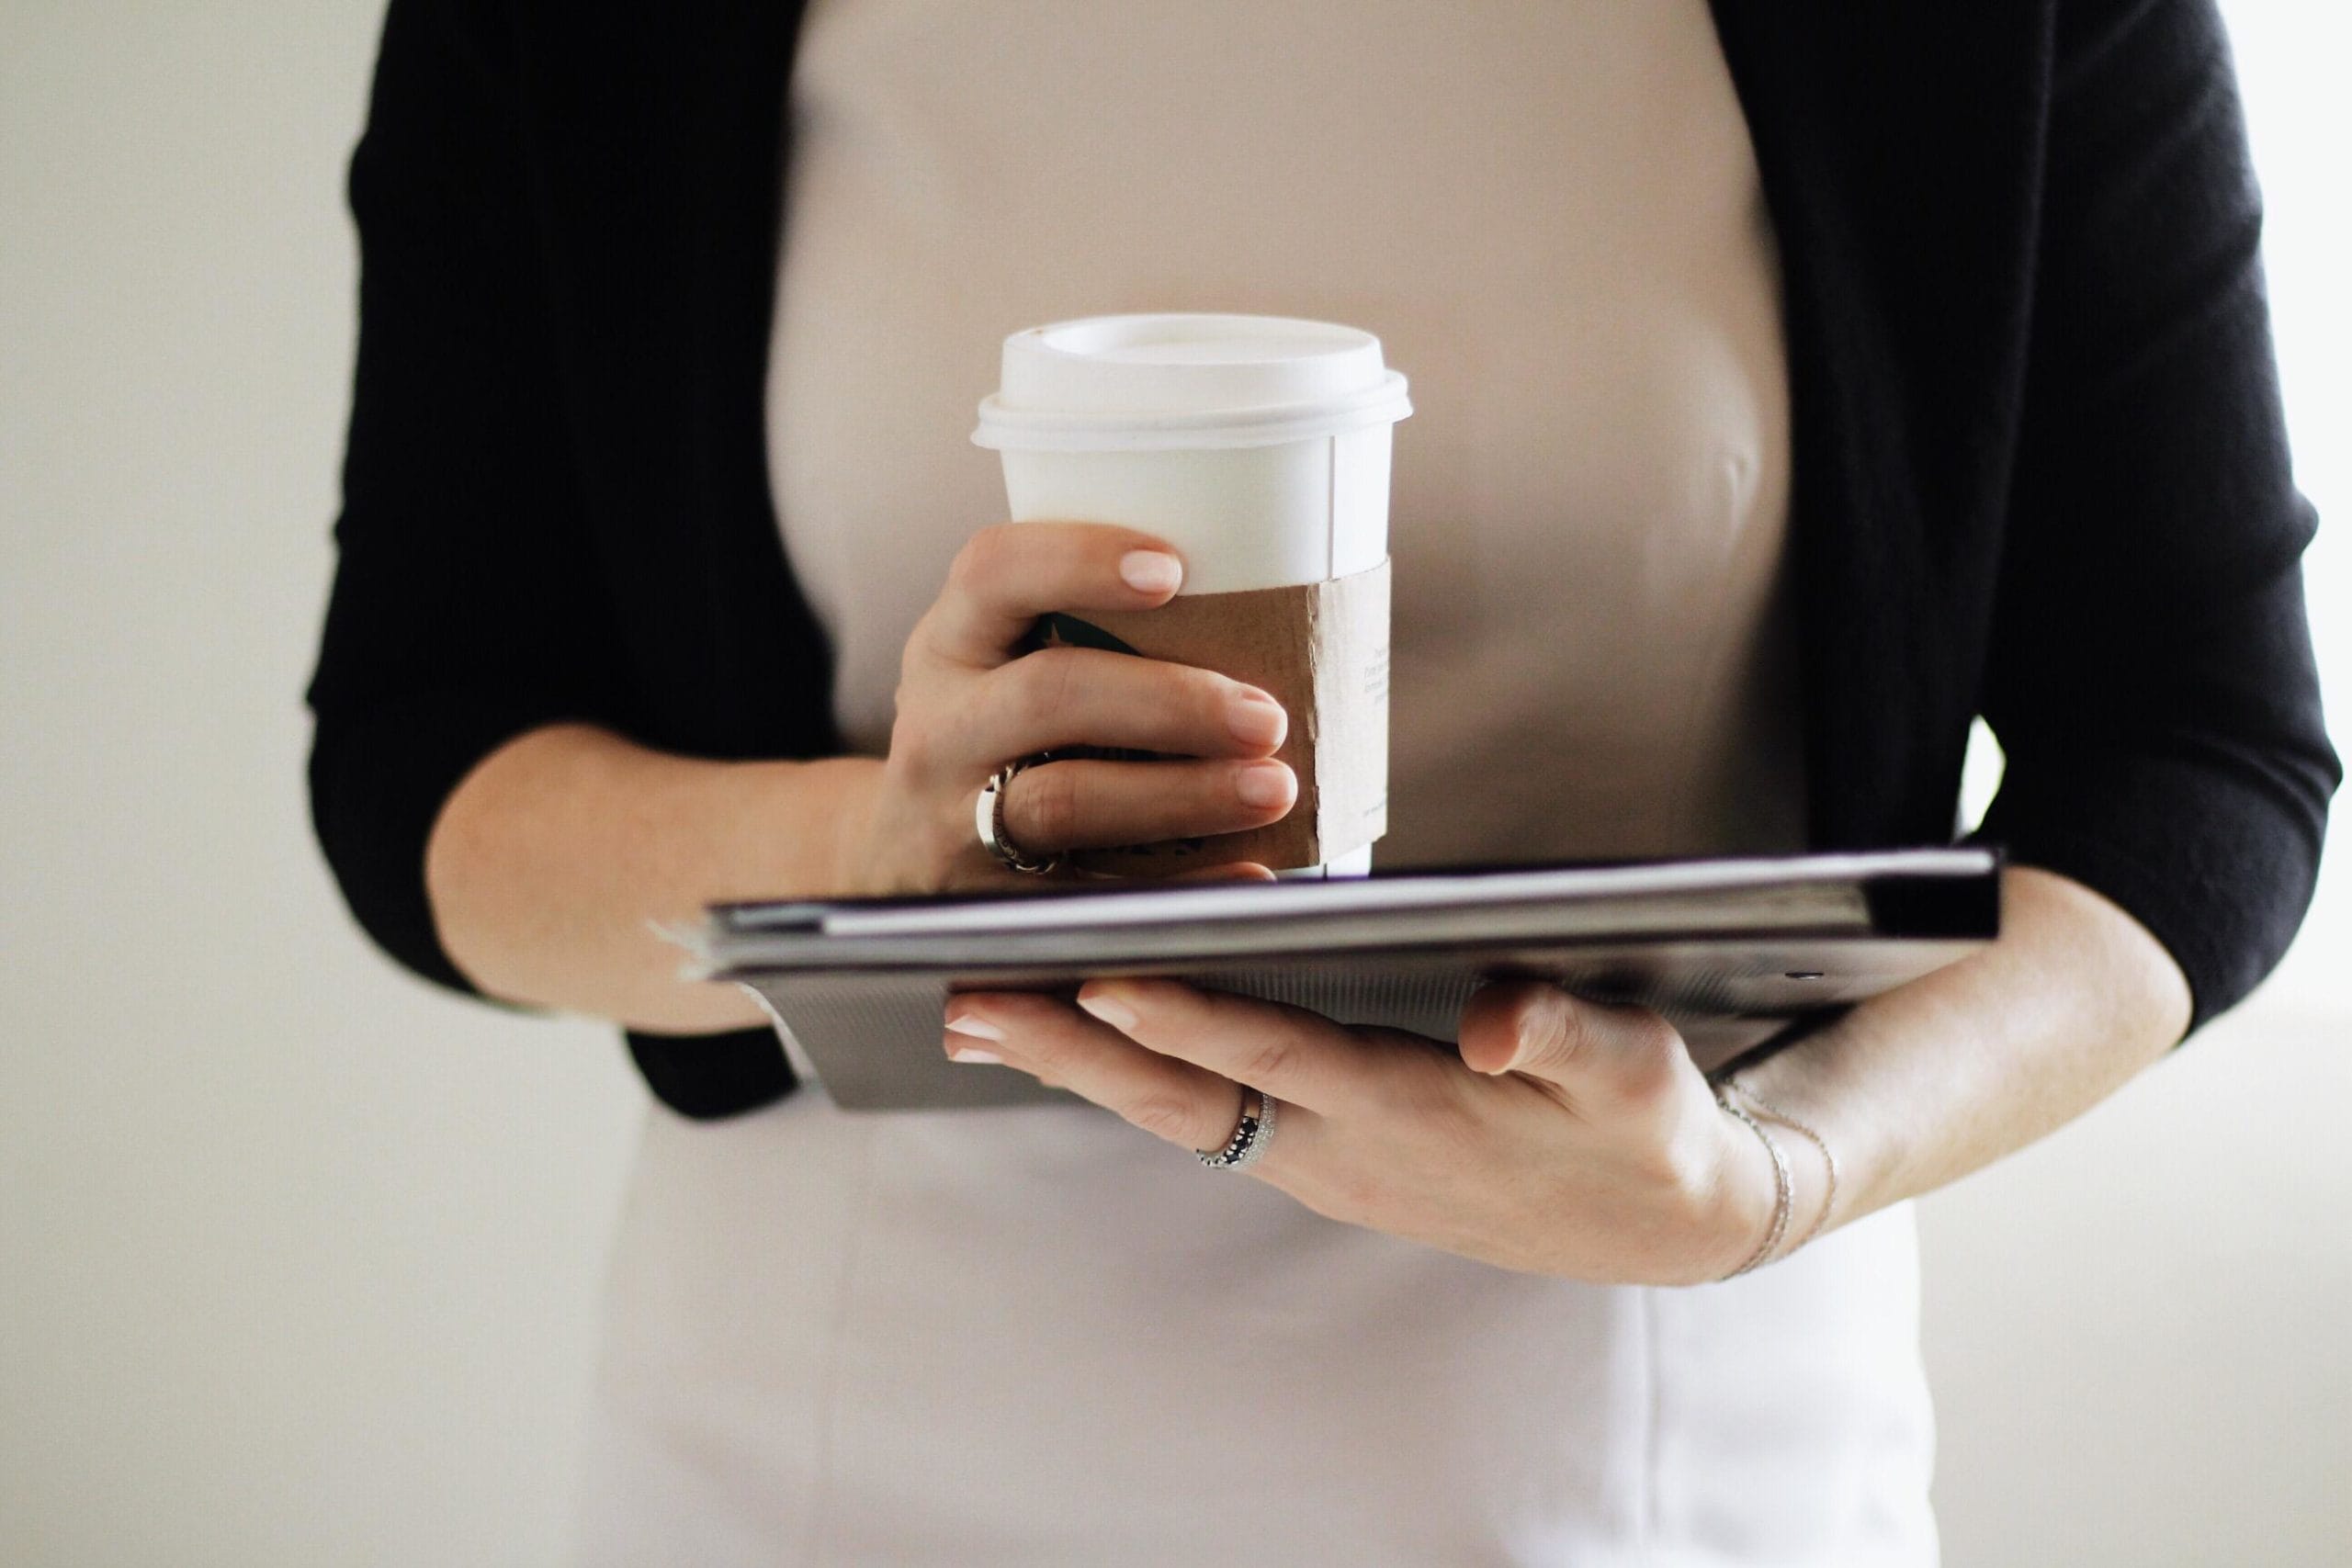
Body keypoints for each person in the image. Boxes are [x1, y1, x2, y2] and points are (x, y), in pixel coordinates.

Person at [306, 0, 2336, 1562]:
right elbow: (426, 766)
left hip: (1652, 1429)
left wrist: (1779, 1171)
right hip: (841, 1435)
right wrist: (872, 851)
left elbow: (2194, 754)